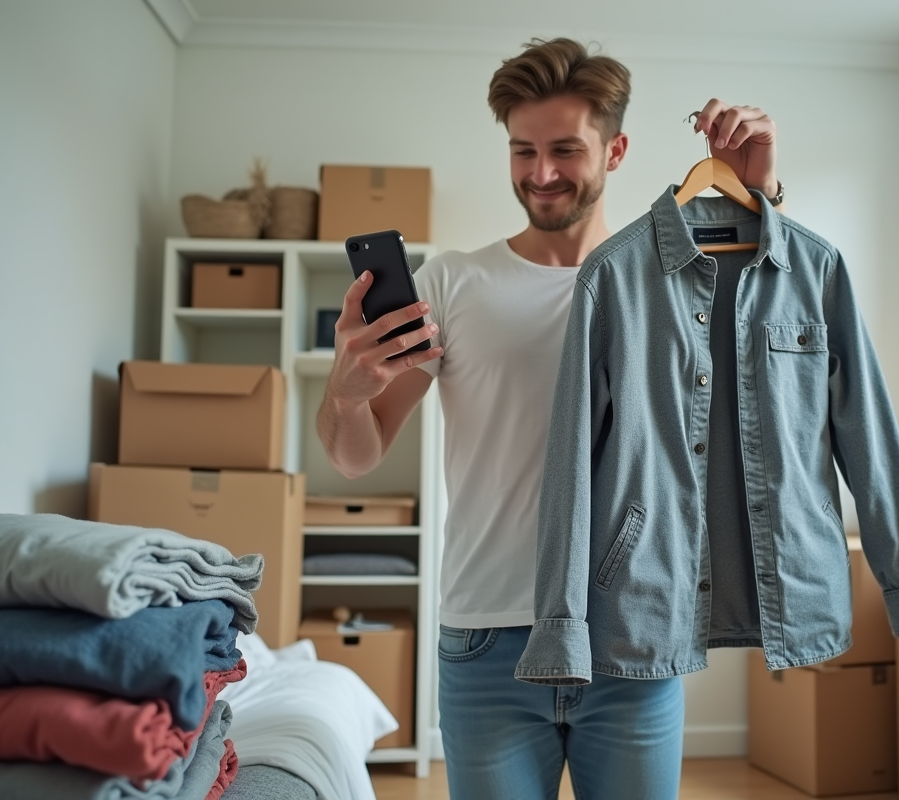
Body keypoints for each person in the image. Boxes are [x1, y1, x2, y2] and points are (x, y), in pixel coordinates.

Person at [316, 37, 780, 800]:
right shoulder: (453, 284)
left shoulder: (673, 282)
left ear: (617, 148)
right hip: (487, 641)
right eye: (522, 151)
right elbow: (357, 457)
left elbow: (763, 364)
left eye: (565, 149)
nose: (541, 174)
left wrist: (758, 196)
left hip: (631, 637)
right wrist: (344, 392)